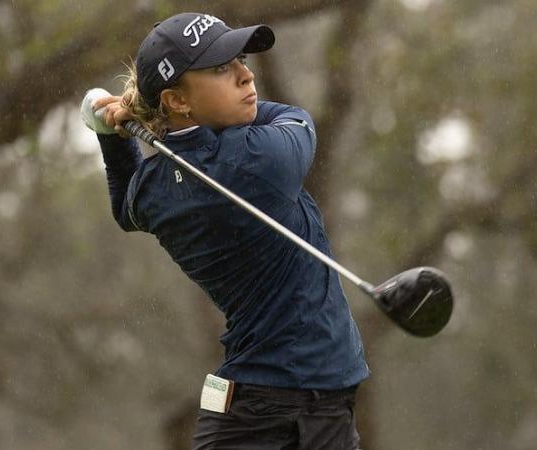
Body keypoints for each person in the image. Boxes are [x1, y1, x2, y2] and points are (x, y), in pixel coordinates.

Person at [83, 12, 369, 449]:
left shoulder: (154, 188)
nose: (245, 75)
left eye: (239, 60)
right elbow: (296, 117)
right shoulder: (260, 161)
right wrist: (121, 125)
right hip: (294, 403)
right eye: (221, 68)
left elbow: (125, 207)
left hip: (257, 402)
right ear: (177, 101)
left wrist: (110, 135)